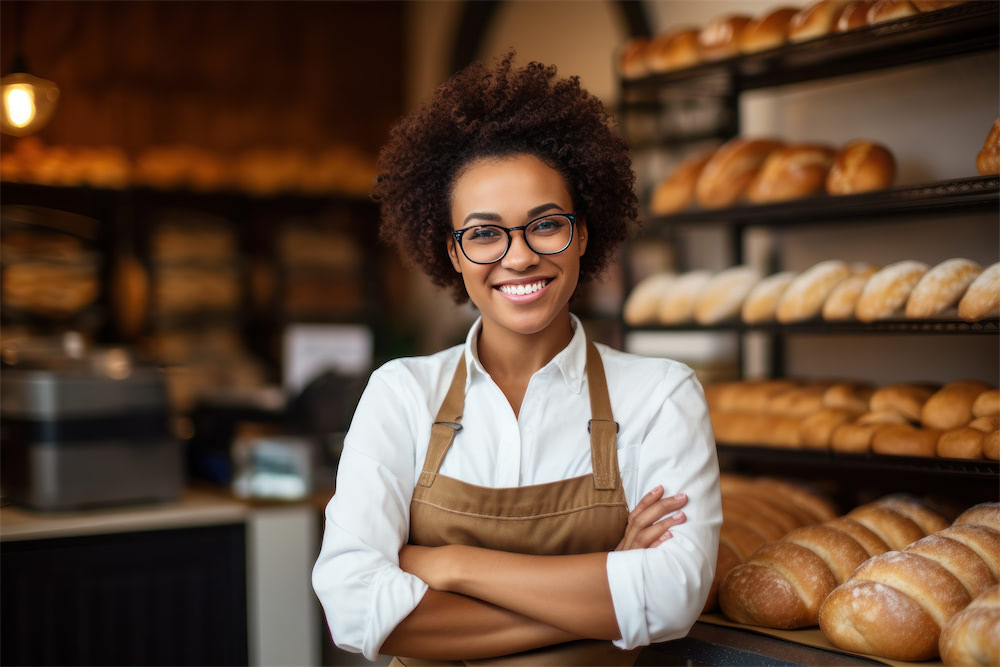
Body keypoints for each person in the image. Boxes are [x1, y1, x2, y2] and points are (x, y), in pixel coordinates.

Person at [312, 52, 722, 665]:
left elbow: (671, 599)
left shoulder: (661, 395)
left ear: (583, 233)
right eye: (483, 234)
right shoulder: (401, 394)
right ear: (450, 252)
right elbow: (354, 610)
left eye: (546, 224)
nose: (520, 257)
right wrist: (606, 586)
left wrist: (451, 565)